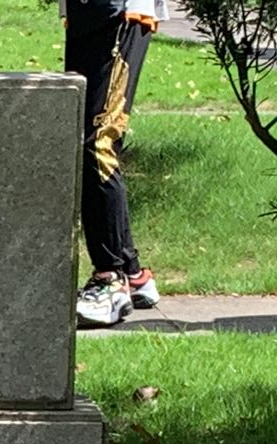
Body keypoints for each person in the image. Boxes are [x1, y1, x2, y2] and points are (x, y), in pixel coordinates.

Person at [63, 0, 167, 327]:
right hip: (87, 14)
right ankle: (132, 272)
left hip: (120, 12)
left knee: (99, 142)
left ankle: (110, 279)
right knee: (85, 135)